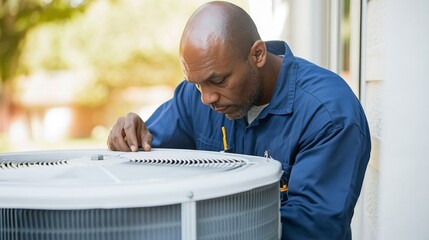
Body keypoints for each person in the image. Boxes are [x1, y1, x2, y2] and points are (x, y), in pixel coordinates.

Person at [107, 1, 371, 239]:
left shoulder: (329, 115)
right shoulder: (195, 96)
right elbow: (146, 159)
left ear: (257, 55)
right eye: (197, 84)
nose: (206, 98)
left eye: (218, 80)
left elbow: (310, 229)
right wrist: (130, 137)